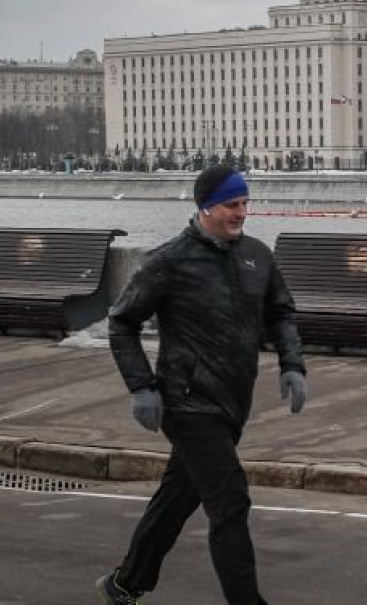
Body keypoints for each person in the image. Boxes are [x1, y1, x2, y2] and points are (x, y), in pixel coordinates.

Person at [98, 166, 307, 605]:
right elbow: (121, 323)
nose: (242, 213)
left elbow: (281, 313)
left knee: (179, 495)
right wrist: (141, 387)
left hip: (233, 400)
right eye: (233, 205)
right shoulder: (168, 261)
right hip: (187, 402)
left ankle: (124, 584)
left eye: (246, 204)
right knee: (230, 501)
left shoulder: (257, 256)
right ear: (206, 207)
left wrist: (292, 364)